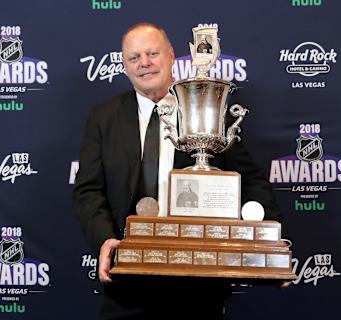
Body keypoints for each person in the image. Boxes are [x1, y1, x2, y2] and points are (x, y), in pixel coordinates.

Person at [73, 22, 282, 320]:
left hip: (197, 282)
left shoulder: (208, 110)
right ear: (124, 65)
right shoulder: (103, 118)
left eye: (152, 53)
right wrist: (105, 239)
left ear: (171, 56)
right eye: (134, 58)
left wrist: (270, 246)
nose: (144, 63)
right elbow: (88, 191)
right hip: (126, 278)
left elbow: (252, 182)